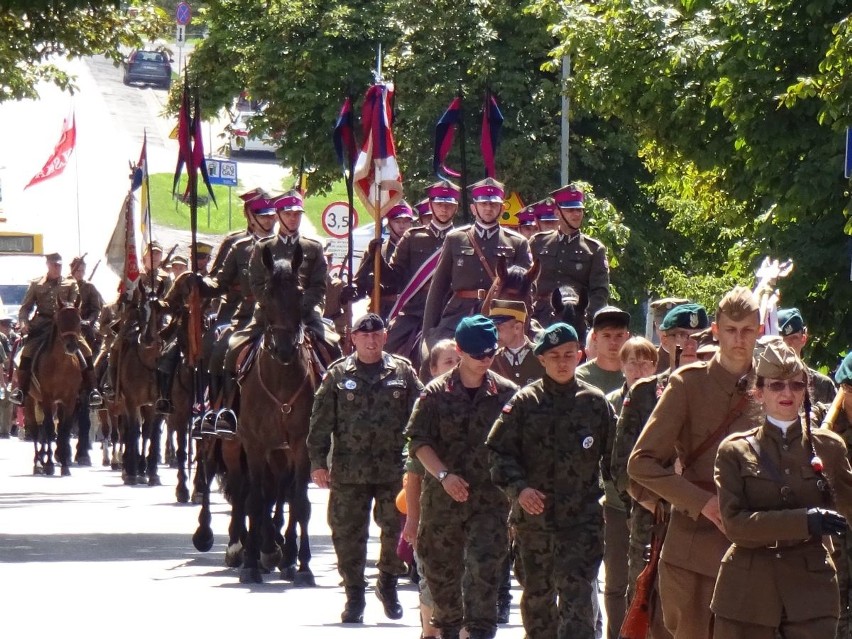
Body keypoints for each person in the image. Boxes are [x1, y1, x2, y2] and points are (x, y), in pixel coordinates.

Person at [627, 287, 764, 639]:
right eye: (731, 330)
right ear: (716, 331)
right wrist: (701, 503)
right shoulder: (688, 384)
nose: (739, 339)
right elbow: (641, 463)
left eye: (747, 330)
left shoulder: (773, 386)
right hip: (692, 554)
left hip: (755, 551)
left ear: (759, 329)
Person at [712, 339, 852, 638]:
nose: (787, 393)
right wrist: (805, 521)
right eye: (777, 386)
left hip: (811, 593)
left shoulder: (829, 448)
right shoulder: (735, 451)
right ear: (759, 392)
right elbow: (735, 525)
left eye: (796, 385)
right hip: (748, 592)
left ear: (806, 390)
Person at [487, 322, 615, 638]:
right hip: (535, 524)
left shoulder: (595, 403)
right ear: (541, 359)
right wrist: (519, 489)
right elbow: (497, 453)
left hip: (581, 524)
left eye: (569, 355)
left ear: (580, 355)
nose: (562, 362)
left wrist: (616, 502)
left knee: (579, 602)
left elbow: (615, 459)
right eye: (554, 355)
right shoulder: (523, 403)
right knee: (538, 602)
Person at [405, 315, 518, 639]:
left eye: (490, 353)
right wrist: (443, 475)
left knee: (484, 579)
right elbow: (418, 441)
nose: (485, 360)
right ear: (459, 349)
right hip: (443, 506)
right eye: (477, 354)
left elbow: (520, 445)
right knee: (444, 589)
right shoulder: (435, 393)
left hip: (489, 506)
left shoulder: (507, 394)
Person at [307, 313, 423, 624]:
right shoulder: (337, 375)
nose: (371, 341)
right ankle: (354, 594)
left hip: (392, 470)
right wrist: (318, 463)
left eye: (377, 335)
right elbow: (320, 422)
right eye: (364, 335)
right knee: (347, 534)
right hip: (349, 472)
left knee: (394, 531)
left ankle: (387, 581)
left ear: (385, 337)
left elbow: (422, 416)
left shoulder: (403, 371)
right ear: (353, 338)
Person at [610, 303, 710, 639]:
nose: (690, 344)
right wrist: (660, 503)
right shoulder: (643, 393)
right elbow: (622, 466)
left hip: (708, 519)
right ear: (664, 340)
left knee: (701, 606)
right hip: (655, 518)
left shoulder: (725, 393)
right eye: (681, 335)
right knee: (647, 606)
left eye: (698, 336)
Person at [192, 198, 279, 429]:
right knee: (221, 351)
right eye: (263, 216)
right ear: (253, 218)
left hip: (281, 316)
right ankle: (222, 411)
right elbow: (219, 283)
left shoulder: (288, 246)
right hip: (248, 316)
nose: (268, 220)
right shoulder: (240, 248)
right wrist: (200, 282)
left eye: (271, 215)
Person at [422, 177, 531, 351]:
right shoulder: (456, 238)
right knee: (435, 354)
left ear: (502, 209)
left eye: (493, 205)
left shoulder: (517, 243)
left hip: (502, 314)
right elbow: (438, 288)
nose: (488, 208)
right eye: (483, 204)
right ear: (474, 208)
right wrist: (428, 330)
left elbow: (527, 289)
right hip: (458, 314)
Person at [599, 336, 657, 639]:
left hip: (650, 506)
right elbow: (609, 458)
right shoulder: (611, 402)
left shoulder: (662, 399)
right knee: (616, 580)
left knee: (642, 578)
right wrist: (625, 495)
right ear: (622, 366)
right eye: (632, 361)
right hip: (617, 502)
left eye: (646, 360)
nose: (639, 367)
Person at [402, 339, 461, 639]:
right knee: (432, 580)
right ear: (433, 368)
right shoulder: (428, 404)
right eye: (447, 362)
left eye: (457, 360)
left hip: (472, 514)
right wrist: (412, 519)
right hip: (432, 512)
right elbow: (414, 473)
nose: (454, 367)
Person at [377, 180, 461, 361]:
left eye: (449, 205)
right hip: (414, 311)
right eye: (439, 204)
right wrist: (375, 257)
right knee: (385, 351)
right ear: (431, 205)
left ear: (456, 208)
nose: (444, 209)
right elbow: (394, 277)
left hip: (449, 312)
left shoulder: (464, 239)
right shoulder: (413, 237)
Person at [11, 253, 102, 409]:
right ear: (48, 264)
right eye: (54, 264)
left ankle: (93, 389)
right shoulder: (36, 284)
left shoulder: (70, 283)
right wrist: (24, 322)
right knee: (27, 351)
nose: (57, 267)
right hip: (42, 324)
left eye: (59, 265)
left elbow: (74, 304)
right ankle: (22, 390)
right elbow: (25, 308)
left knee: (85, 350)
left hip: (65, 325)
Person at [529, 185, 609, 329]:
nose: (576, 214)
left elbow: (600, 292)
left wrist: (586, 317)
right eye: (570, 210)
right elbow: (527, 283)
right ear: (557, 212)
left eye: (579, 210)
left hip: (577, 319)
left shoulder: (594, 249)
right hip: (539, 318)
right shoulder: (537, 243)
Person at [354, 200, 415, 319]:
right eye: (397, 221)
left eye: (406, 222)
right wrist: (352, 291)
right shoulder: (377, 250)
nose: (402, 226)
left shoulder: (418, 250)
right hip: (382, 310)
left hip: (411, 310)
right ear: (388, 224)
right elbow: (360, 283)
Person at [777, 307, 837, 404]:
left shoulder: (823, 385)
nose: (787, 344)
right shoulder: (761, 384)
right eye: (781, 339)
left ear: (803, 339)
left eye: (793, 338)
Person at [488, 299, 544, 387]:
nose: (494, 333)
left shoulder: (542, 357)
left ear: (517, 328)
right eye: (493, 328)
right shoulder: (492, 360)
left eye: (499, 328)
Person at [575, 305, 631, 394]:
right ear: (595, 338)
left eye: (619, 335)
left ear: (627, 337)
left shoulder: (636, 375)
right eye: (607, 336)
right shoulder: (579, 378)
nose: (613, 342)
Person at [648, 297, 690, 373]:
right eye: (663, 328)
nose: (667, 333)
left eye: (674, 329)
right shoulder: (647, 363)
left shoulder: (699, 359)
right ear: (656, 329)